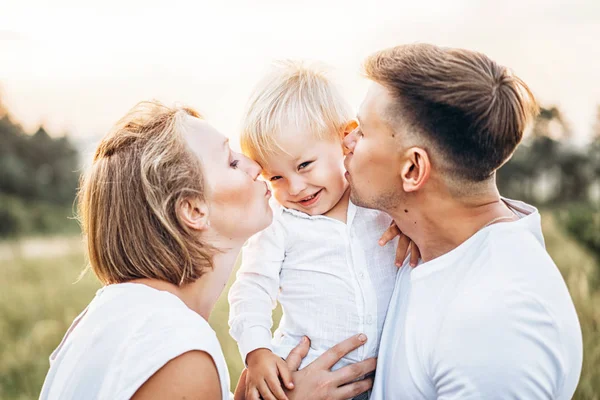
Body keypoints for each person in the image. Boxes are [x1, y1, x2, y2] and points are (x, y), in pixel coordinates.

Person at [39, 101, 376, 400]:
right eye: (231, 162)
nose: (256, 167)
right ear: (194, 210)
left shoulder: (115, 317)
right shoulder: (179, 356)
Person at [344, 43, 583, 399]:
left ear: (412, 169)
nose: (347, 140)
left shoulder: (498, 325)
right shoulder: (432, 246)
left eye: (362, 131)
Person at [228, 61, 412, 400]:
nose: (295, 187)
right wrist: (257, 351)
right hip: (304, 376)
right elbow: (252, 287)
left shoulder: (379, 204)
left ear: (347, 140)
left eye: (304, 165)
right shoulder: (279, 223)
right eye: (276, 177)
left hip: (387, 381)